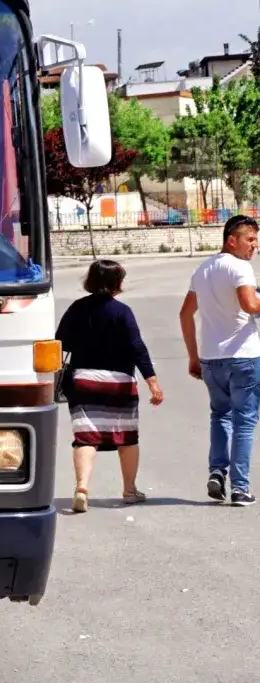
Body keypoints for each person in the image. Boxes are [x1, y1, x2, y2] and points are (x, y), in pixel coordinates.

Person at [56, 259, 162, 512]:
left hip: (84, 381)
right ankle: (129, 490)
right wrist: (152, 381)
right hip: (119, 383)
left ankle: (82, 488)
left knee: (85, 438)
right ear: (117, 283)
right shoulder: (122, 312)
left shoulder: (77, 308)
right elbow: (137, 347)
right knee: (126, 438)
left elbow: (60, 343)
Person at [179, 214, 260, 506]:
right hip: (243, 358)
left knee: (220, 416)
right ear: (232, 240)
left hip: (211, 359)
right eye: (249, 239)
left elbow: (185, 313)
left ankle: (217, 472)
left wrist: (192, 356)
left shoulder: (203, 269)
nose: (254, 246)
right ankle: (240, 487)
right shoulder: (240, 267)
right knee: (245, 422)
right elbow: (250, 304)